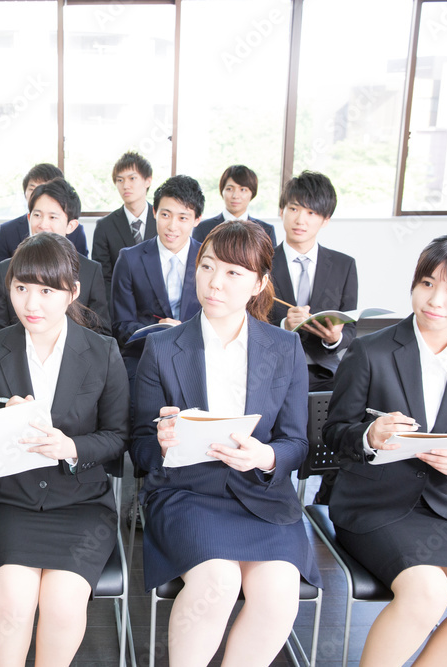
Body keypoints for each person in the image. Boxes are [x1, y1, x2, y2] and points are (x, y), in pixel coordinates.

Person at [131, 220, 320, 666]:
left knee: (278, 593)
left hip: (263, 499)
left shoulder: (285, 348)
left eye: (233, 272)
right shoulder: (162, 347)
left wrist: (266, 455)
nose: (215, 282)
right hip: (187, 495)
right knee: (216, 584)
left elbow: (296, 442)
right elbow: (139, 446)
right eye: (208, 266)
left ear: (259, 283)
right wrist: (162, 443)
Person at [324, 233, 447, 667]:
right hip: (373, 505)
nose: (435, 300)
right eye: (427, 283)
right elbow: (333, 433)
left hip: (444, 507)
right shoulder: (370, 351)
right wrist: (370, 435)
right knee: (427, 592)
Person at [0, 232, 128, 665]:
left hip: (82, 504)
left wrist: (70, 446)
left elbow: (118, 437)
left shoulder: (102, 352)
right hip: (12, 503)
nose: (30, 303)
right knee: (13, 604)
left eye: (46, 291)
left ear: (72, 292)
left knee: (61, 605)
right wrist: (4, 426)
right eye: (21, 288)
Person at [110, 175, 204, 395]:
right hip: (144, 358)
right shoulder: (129, 259)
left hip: (198, 358)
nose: (172, 226)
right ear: (154, 212)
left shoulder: (209, 260)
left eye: (183, 218)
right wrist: (158, 330)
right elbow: (120, 326)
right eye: (165, 215)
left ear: (197, 219)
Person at [268, 171, 357, 391]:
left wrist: (335, 338)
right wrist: (284, 326)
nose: (300, 220)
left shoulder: (344, 265)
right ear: (281, 211)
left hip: (324, 372)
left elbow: (350, 327)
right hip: (271, 369)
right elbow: (246, 319)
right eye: (294, 209)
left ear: (325, 220)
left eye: (311, 212)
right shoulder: (261, 264)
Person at [0, 177, 110, 335]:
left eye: (53, 217)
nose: (43, 225)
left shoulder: (90, 271)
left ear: (71, 225)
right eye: (37, 215)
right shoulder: (5, 268)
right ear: (29, 218)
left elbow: (101, 333)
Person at [0, 163, 88, 266]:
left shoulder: (77, 233)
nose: (43, 225)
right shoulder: (7, 231)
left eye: (52, 217)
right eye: (32, 188)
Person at [91, 151, 157, 295]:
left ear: (148, 181)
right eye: (120, 180)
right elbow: (103, 279)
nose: (125, 185)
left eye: (132, 178)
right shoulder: (105, 226)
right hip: (119, 303)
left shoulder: (161, 220)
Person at [192, 165, 276, 245]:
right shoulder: (203, 228)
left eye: (243, 189)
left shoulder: (266, 231)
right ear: (222, 191)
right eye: (229, 189)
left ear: (252, 193)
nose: (235, 196)